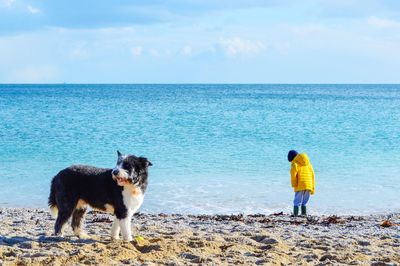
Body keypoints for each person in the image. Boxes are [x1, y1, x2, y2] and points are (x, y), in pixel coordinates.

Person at [287, 150, 315, 216]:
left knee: (297, 201)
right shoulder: (308, 164)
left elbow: (293, 174)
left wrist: (294, 184)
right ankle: (304, 214)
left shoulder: (295, 163)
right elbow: (313, 175)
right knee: (304, 202)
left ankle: (295, 214)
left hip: (300, 184)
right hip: (309, 185)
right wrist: (313, 187)